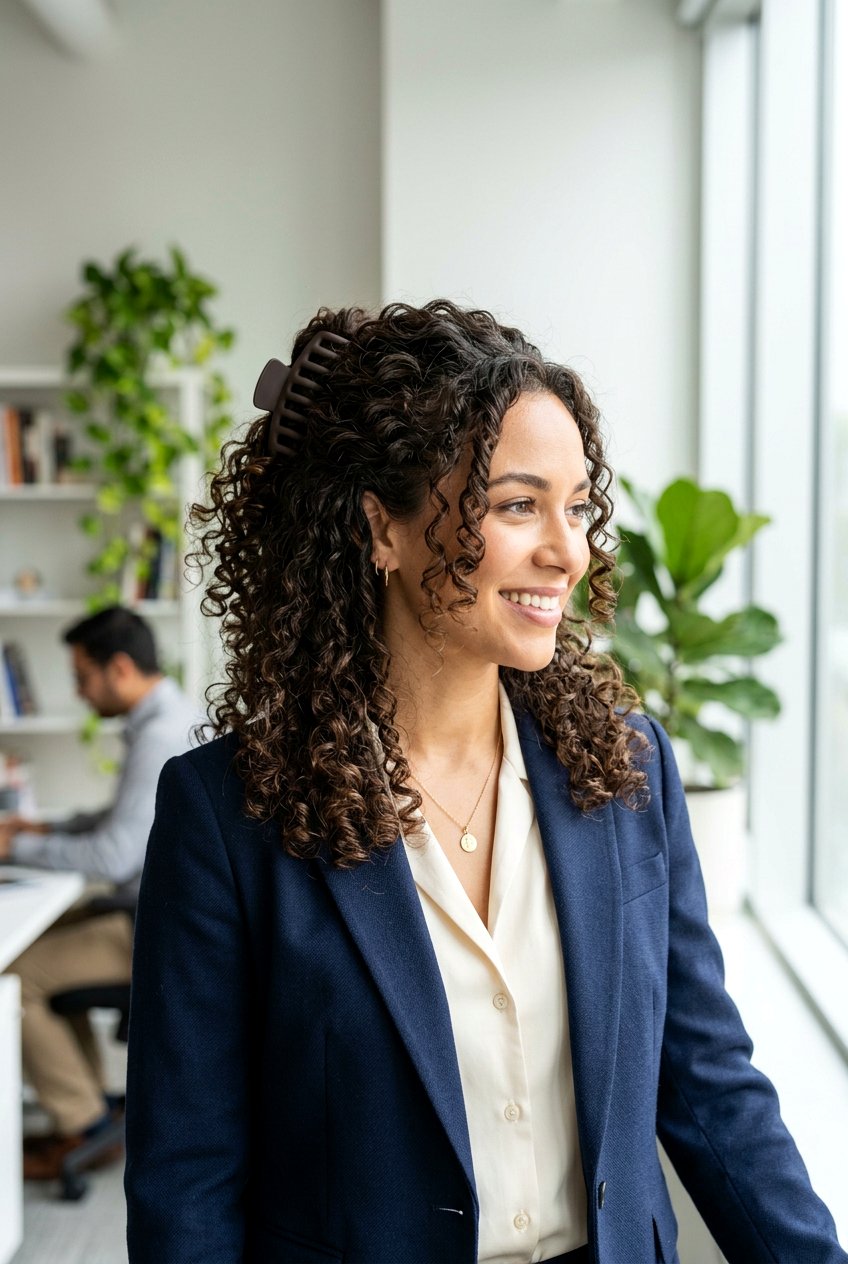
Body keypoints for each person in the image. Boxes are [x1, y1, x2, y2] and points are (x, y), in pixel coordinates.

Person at [124, 301, 846, 1264]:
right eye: (516, 505)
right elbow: (187, 1186)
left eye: (577, 506)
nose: (567, 549)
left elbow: (711, 1088)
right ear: (382, 528)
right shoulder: (228, 815)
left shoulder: (627, 771)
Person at [0, 605, 198, 1181]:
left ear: (120, 669)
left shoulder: (159, 736)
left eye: (82, 676)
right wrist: (45, 830)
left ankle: (81, 1123)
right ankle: (88, 1108)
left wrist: (15, 847)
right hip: (148, 910)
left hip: (155, 927)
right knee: (37, 943)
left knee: (13, 971)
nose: (79, 692)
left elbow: (113, 855)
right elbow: (120, 822)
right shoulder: (168, 717)